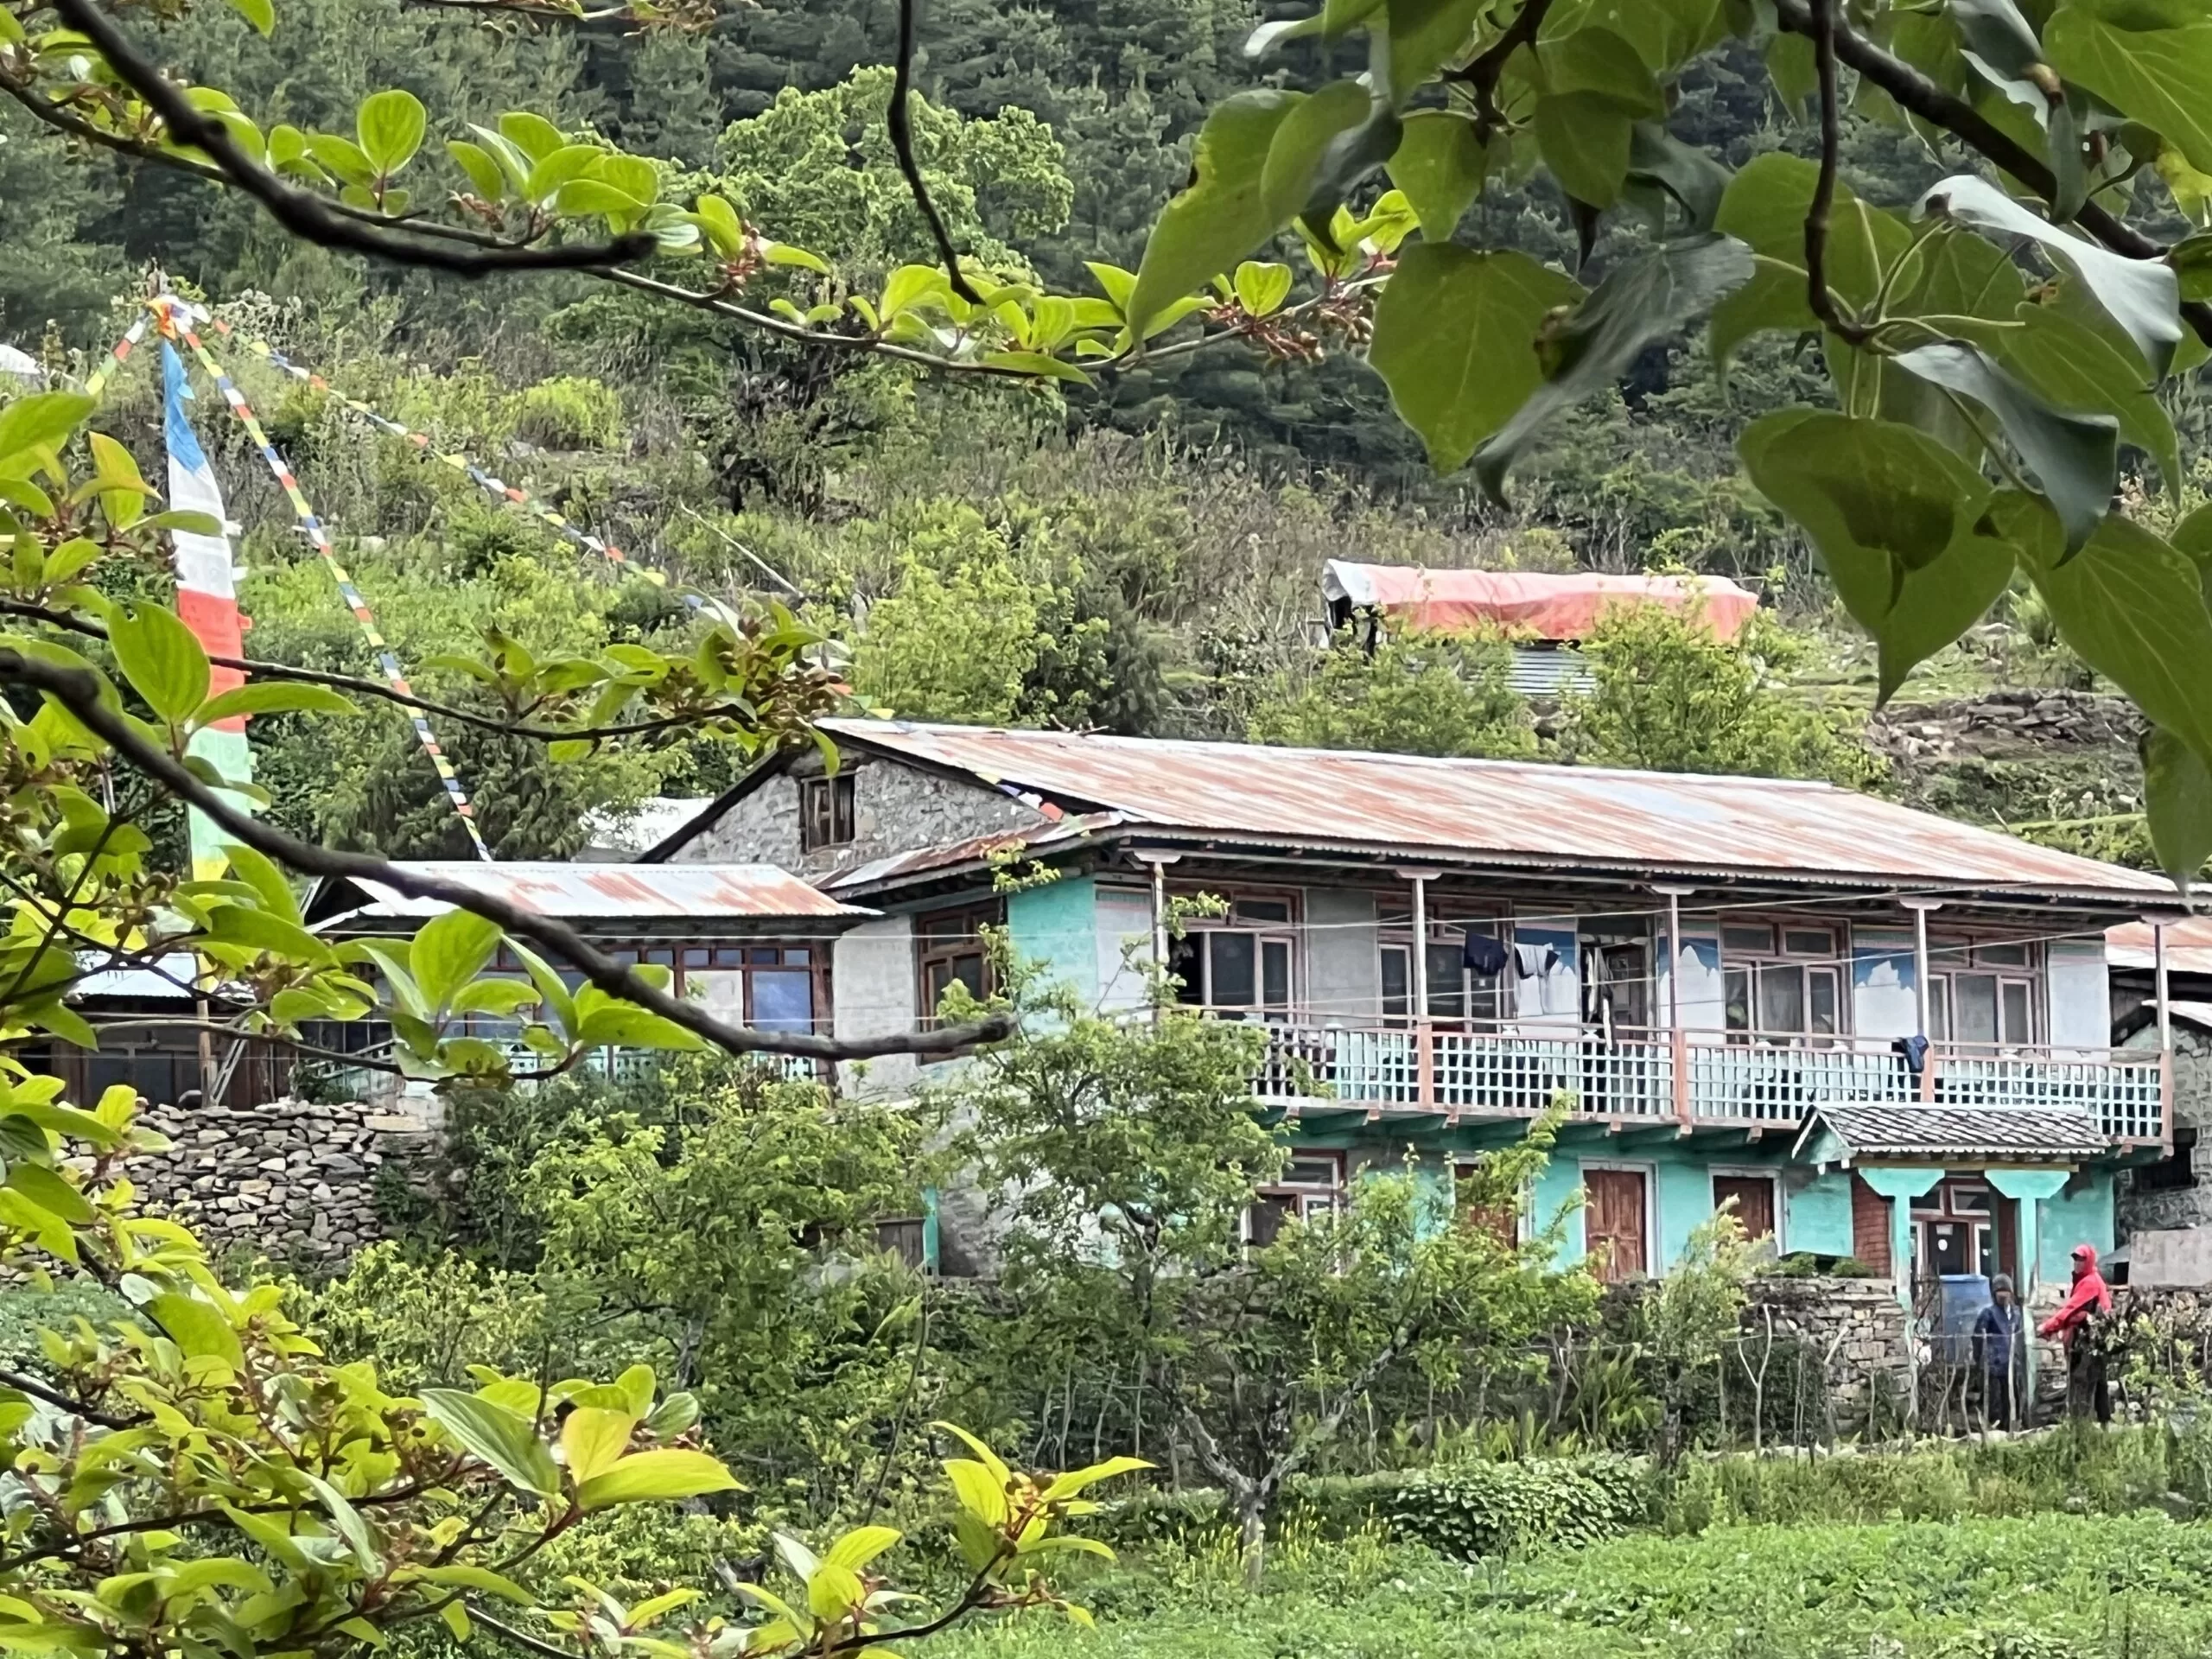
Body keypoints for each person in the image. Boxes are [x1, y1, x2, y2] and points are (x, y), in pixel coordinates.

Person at [2037, 1243, 2113, 1425]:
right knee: (2098, 1384)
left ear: (2089, 1261)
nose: (2077, 1263)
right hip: (2095, 1342)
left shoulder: (2090, 1282)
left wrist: (2047, 1327)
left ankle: (2080, 1429)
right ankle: (2102, 1427)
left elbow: (2070, 1310)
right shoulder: (2090, 1280)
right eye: (2076, 1259)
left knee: (2082, 1386)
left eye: (2081, 1260)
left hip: (2085, 1342)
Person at [1972, 1274, 2024, 1429]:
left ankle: (2011, 1426)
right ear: (1993, 1294)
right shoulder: (1987, 1314)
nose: (2003, 1294)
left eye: (2006, 1290)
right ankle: (1995, 1427)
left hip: (2012, 1365)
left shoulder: (2016, 1314)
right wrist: (1980, 1359)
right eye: (1999, 1291)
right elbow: (1977, 1339)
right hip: (1994, 1366)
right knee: (1995, 1401)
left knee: (2011, 1398)